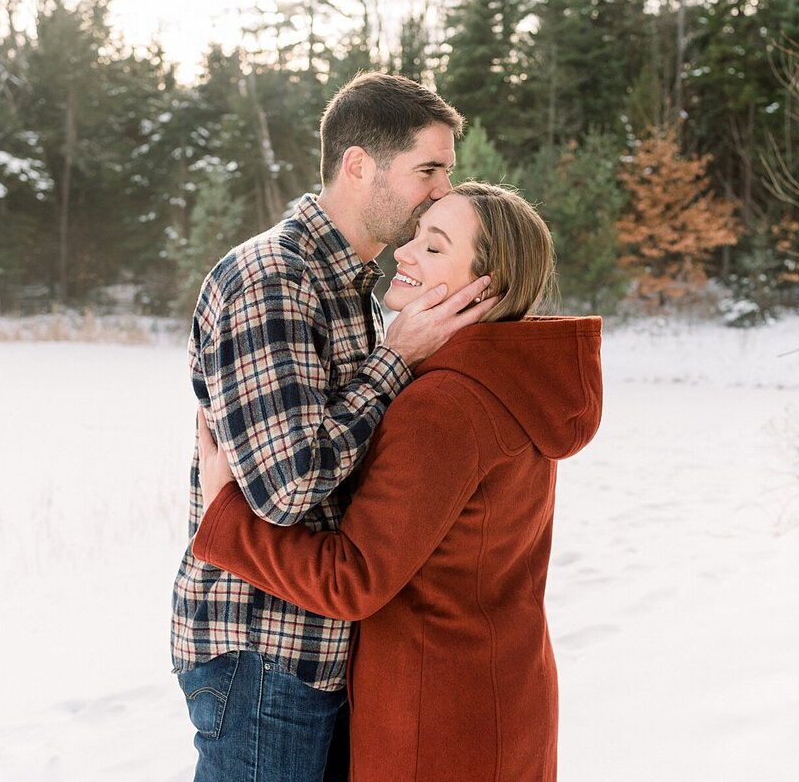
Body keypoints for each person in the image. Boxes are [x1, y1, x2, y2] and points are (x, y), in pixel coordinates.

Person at [192, 182, 604, 782]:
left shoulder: (445, 405)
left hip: (434, 721)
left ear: (485, 287)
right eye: (415, 236)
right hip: (499, 693)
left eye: (434, 247)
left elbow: (352, 579)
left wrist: (225, 518)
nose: (404, 252)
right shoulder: (512, 381)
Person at [172, 73, 496, 782]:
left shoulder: (354, 289)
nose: (442, 190)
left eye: (446, 171)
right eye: (428, 170)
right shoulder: (272, 278)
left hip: (321, 646)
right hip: (265, 651)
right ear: (358, 165)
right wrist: (394, 361)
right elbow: (288, 488)